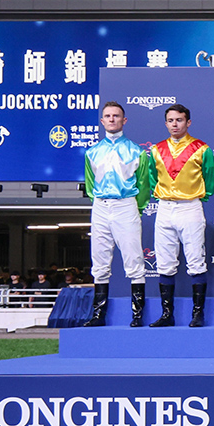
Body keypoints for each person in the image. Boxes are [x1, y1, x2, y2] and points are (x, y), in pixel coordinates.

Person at [81, 100, 153, 327]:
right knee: (99, 259)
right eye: (108, 116)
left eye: (116, 115)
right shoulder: (92, 152)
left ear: (124, 120)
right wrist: (99, 202)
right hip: (101, 205)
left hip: (126, 204)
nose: (112, 119)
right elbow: (90, 185)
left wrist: (135, 208)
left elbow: (143, 185)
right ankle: (98, 315)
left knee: (134, 259)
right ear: (102, 121)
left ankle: (137, 314)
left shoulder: (136, 151)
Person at [147, 104, 214, 327]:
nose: (175, 124)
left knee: (196, 261)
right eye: (171, 120)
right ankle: (167, 315)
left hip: (190, 207)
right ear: (165, 123)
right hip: (164, 208)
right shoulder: (156, 149)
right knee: (164, 263)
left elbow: (210, 180)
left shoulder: (202, 148)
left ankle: (198, 314)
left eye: (179, 120)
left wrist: (195, 198)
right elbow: (151, 178)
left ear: (188, 122)